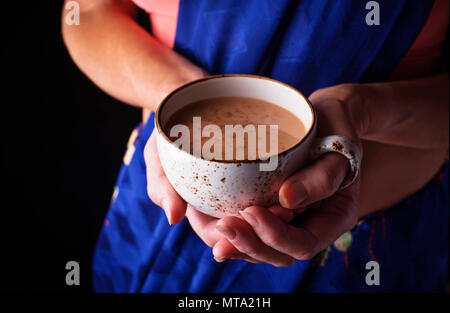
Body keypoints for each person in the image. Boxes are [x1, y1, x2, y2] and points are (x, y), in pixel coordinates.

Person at [62, 0, 449, 292]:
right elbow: (87, 12)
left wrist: (362, 109)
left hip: (365, 251)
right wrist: (181, 99)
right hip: (155, 210)